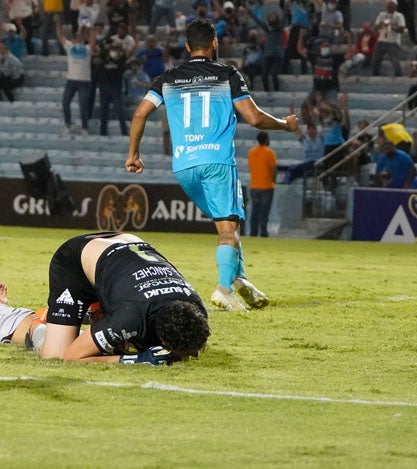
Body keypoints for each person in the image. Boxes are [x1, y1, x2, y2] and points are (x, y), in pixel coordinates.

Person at [126, 19, 298, 312]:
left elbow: (140, 114)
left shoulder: (168, 78)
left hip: (184, 166)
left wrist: (134, 154)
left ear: (188, 47)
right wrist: (286, 125)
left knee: (225, 223)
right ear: (215, 44)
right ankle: (223, 288)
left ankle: (241, 279)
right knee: (228, 227)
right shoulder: (227, 74)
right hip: (216, 162)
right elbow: (254, 118)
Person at [37, 232, 210, 365]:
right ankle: (35, 323)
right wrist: (137, 360)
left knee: (124, 341)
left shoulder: (196, 309)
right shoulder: (131, 317)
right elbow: (72, 357)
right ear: (163, 339)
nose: (191, 356)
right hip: (77, 259)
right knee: (55, 355)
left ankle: (93, 316)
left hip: (127, 245)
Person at [247, 132, 277, 237]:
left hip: (254, 185)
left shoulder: (251, 152)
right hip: (267, 186)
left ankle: (253, 233)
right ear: (265, 140)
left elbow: (251, 167)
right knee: (264, 212)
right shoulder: (270, 153)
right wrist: (273, 180)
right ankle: (263, 232)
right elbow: (273, 170)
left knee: (254, 211)